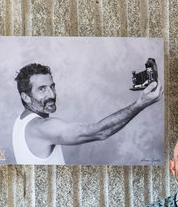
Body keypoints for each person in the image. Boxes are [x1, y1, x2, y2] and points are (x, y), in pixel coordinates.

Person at [12, 62, 161, 164]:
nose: (51, 95)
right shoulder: (42, 127)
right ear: (25, 96)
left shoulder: (21, 121)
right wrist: (140, 104)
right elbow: (100, 132)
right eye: (41, 89)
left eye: (52, 86)